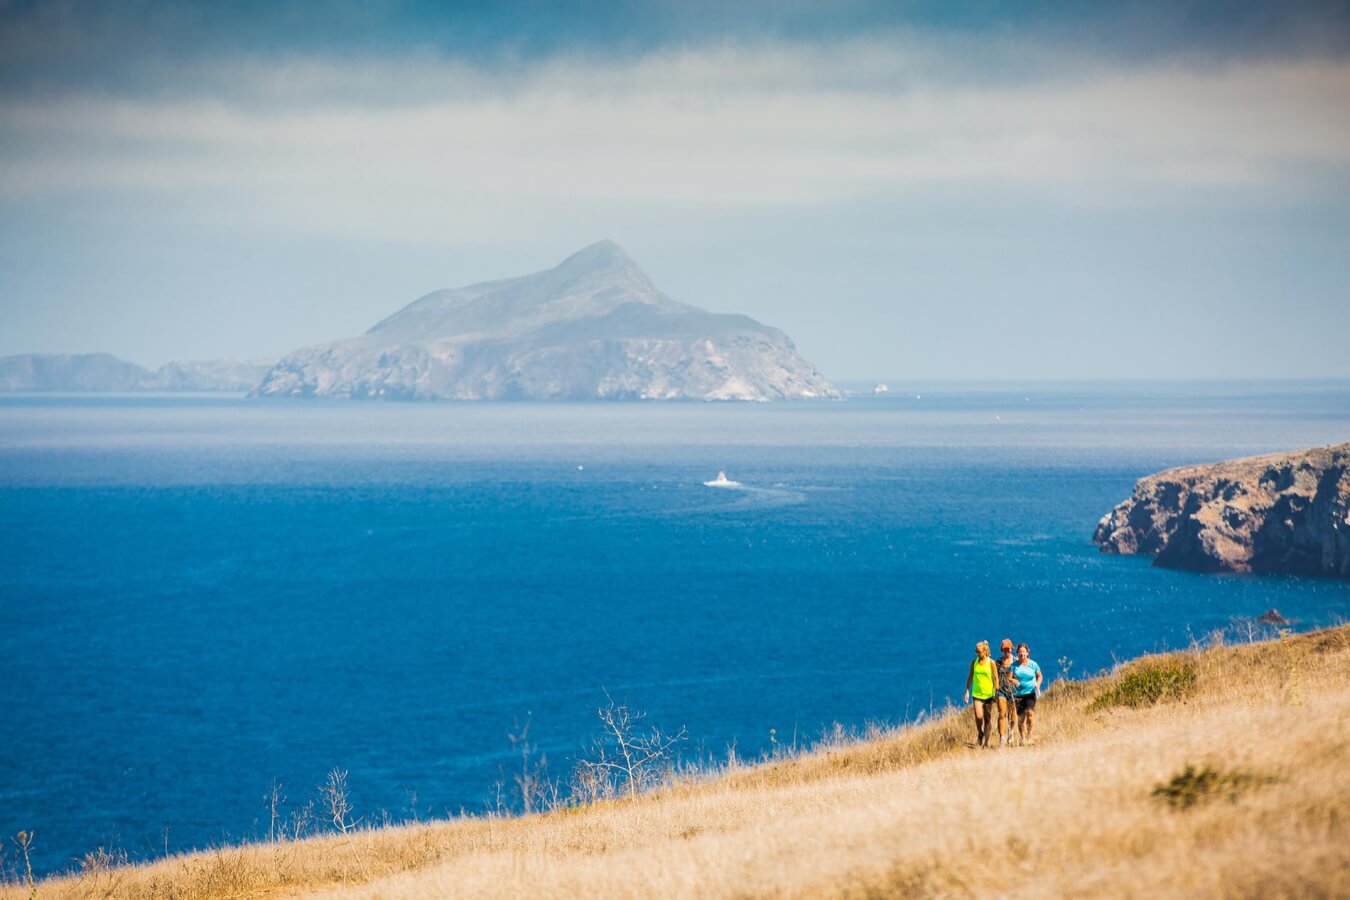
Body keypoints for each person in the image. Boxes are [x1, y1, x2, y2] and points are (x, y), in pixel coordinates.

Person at [964, 640, 998, 748]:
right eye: (976, 652)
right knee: (979, 716)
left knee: (987, 719)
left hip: (988, 694)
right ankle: (980, 733)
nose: (977, 654)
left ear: (985, 651)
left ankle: (986, 742)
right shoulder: (974, 662)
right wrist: (967, 691)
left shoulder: (991, 663)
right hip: (977, 694)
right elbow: (970, 677)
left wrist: (996, 692)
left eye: (979, 652)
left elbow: (995, 678)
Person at [1011, 642, 1044, 745]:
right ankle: (1022, 738)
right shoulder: (1014, 665)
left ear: (1027, 653)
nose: (1022, 654)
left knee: (1030, 713)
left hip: (1030, 693)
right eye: (1020, 652)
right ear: (1017, 653)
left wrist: (1038, 684)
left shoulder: (1033, 664)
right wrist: (1013, 680)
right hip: (1018, 694)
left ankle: (1029, 736)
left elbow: (1039, 675)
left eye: (1024, 652)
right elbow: (1009, 677)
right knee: (1021, 718)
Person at [995, 638, 1018, 747]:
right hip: (1001, 691)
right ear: (1002, 650)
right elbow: (995, 677)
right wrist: (995, 689)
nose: (1007, 651)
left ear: (1012, 649)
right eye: (1005, 649)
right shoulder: (998, 662)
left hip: (1014, 691)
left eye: (1009, 649)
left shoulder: (1016, 661)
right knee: (1002, 714)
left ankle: (1011, 732)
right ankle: (1002, 738)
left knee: (1013, 715)